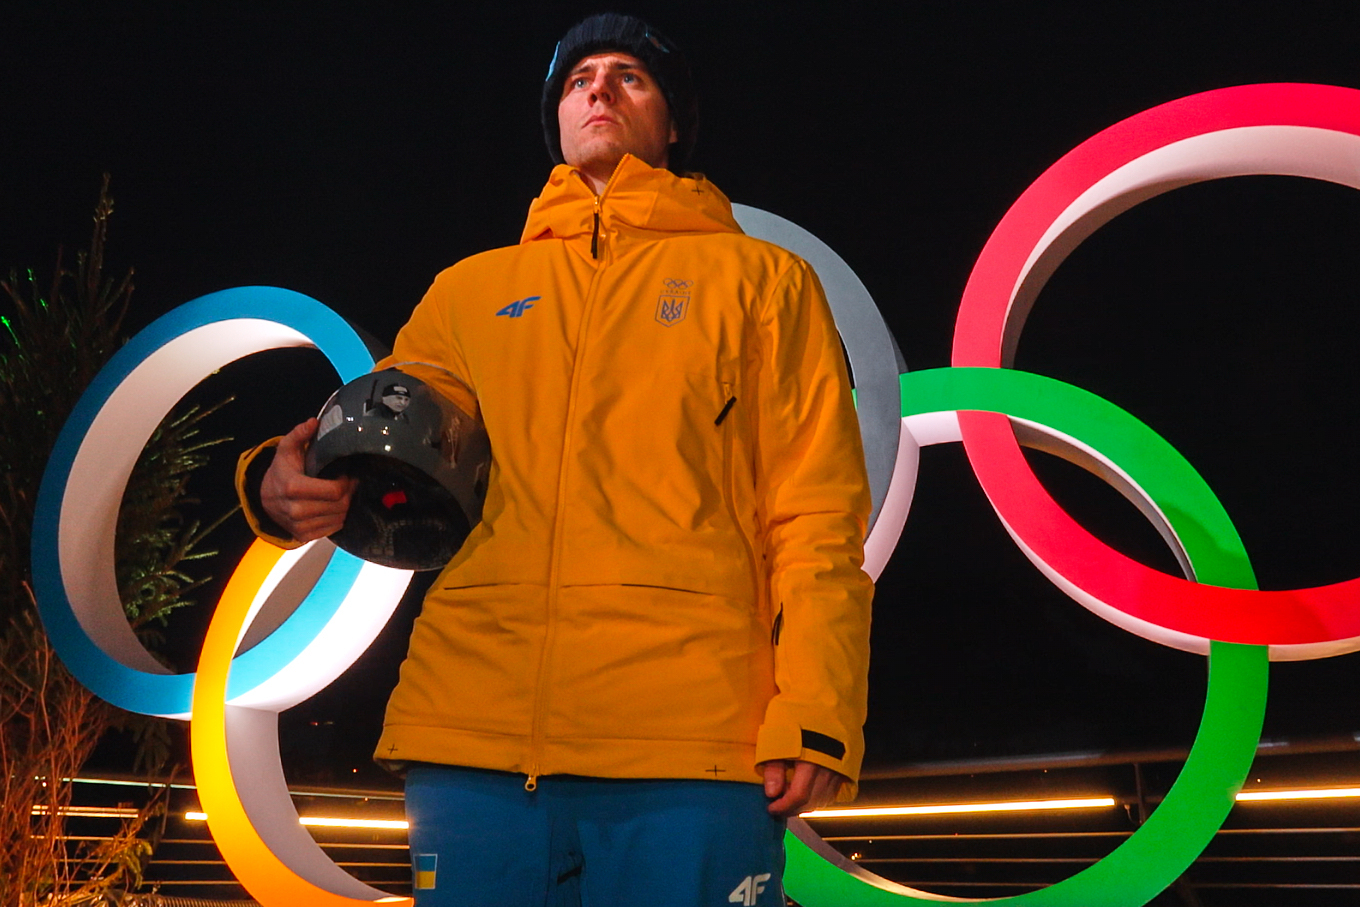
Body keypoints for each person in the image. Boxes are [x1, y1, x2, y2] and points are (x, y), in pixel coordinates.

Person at [237, 13, 873, 906]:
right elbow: (374, 435)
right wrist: (283, 481)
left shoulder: (765, 282)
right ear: (559, 120)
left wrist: (817, 709)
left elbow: (817, 514)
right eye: (579, 81)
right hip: (473, 740)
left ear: (674, 122)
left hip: (689, 744)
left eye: (628, 77)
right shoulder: (470, 291)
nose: (600, 90)